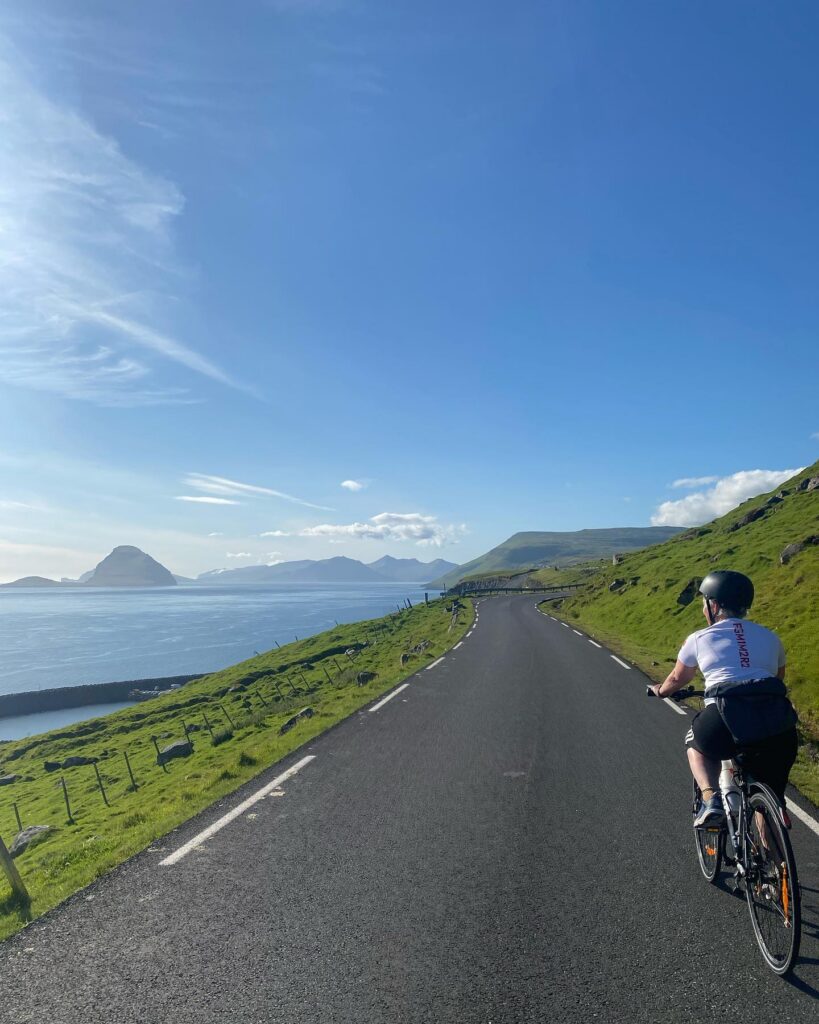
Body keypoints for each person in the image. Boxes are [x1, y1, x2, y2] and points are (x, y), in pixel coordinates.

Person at [649, 570, 798, 827]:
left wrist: (659, 690)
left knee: (695, 744)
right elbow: (778, 677)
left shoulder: (699, 638)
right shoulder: (771, 637)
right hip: (776, 720)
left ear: (714, 605)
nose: (702, 609)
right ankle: (774, 847)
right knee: (769, 796)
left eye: (704, 603)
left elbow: (676, 678)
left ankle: (710, 800)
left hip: (724, 713)